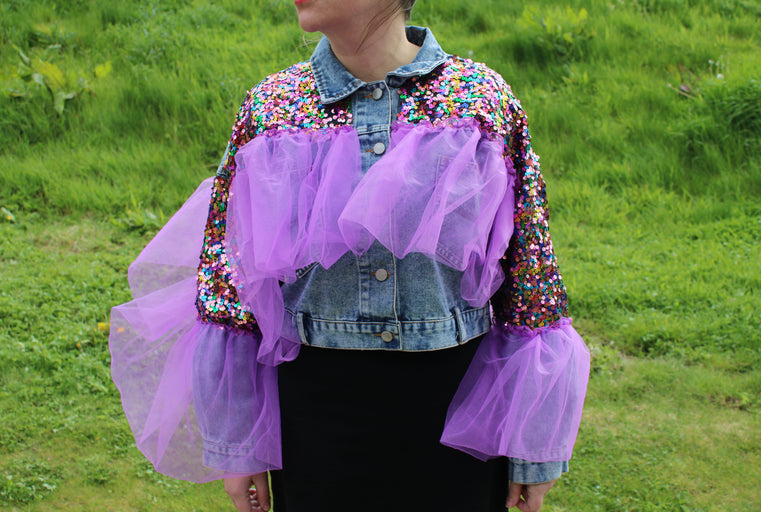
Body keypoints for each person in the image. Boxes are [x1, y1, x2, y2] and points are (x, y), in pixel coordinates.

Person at [109, 1, 590, 511]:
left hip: (456, 417)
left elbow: (530, 281)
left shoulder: (480, 103)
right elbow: (228, 282)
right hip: (314, 417)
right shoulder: (272, 110)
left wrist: (532, 447)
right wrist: (240, 444)